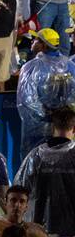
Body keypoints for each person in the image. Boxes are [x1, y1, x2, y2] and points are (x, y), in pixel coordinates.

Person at [15, 106, 75, 237]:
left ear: (53, 128)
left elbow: (19, 189)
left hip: (40, 233)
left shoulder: (35, 155)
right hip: (72, 235)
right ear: (74, 128)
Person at [17, 28, 75, 158]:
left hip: (38, 130)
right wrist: (62, 117)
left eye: (36, 39)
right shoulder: (70, 65)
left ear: (43, 45)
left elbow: (26, 101)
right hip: (65, 130)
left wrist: (48, 116)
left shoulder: (31, 67)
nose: (32, 41)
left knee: (35, 169)